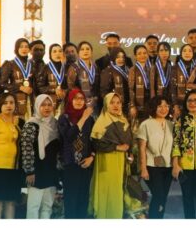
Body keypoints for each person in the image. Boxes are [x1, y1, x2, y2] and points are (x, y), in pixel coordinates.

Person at [89, 92, 133, 219]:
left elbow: (129, 141)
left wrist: (130, 153)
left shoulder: (124, 120)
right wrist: (116, 147)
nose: (116, 105)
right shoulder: (101, 122)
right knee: (107, 190)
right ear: (106, 105)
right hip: (107, 160)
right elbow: (96, 143)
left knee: (118, 190)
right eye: (112, 103)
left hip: (121, 160)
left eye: (118, 103)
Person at [20, 94, 61, 220]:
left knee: (47, 207)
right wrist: (29, 171)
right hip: (36, 171)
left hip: (51, 171)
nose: (47, 108)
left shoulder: (55, 124)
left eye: (49, 105)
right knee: (33, 207)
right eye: (43, 105)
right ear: (37, 106)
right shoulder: (31, 125)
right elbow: (26, 150)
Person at [58, 89, 95, 219]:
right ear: (70, 100)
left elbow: (93, 141)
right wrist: (83, 118)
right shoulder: (64, 118)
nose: (79, 101)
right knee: (71, 200)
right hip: (70, 165)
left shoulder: (90, 120)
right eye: (75, 98)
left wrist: (92, 157)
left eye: (81, 98)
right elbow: (69, 136)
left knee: (83, 200)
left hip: (86, 165)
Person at [137, 96, 175, 219]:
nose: (164, 109)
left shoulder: (171, 124)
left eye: (166, 106)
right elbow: (142, 148)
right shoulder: (146, 124)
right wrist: (143, 169)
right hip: (151, 165)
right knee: (159, 196)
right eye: (160, 106)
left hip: (168, 166)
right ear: (154, 107)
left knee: (163, 198)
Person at [67, 41, 100, 113]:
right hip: (80, 103)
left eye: (88, 49)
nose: (85, 51)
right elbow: (71, 87)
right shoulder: (74, 67)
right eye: (82, 49)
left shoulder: (95, 66)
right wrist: (81, 99)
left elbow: (98, 86)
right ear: (78, 53)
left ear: (91, 52)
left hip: (94, 103)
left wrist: (95, 98)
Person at [128, 45, 157, 120]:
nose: (142, 55)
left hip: (151, 101)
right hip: (138, 103)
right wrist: (132, 105)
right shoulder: (132, 70)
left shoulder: (153, 68)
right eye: (139, 53)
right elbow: (131, 89)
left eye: (144, 53)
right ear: (135, 56)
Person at [38, 44, 69, 111]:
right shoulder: (45, 68)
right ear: (50, 54)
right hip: (50, 102)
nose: (57, 53)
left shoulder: (66, 68)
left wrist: (65, 91)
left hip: (65, 100)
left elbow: (71, 84)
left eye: (60, 51)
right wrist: (54, 90)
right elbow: (40, 87)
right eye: (54, 51)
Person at [100, 48, 131, 114]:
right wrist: (111, 105)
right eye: (118, 57)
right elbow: (104, 92)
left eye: (123, 57)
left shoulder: (128, 69)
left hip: (127, 106)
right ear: (113, 58)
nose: (121, 59)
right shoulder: (108, 71)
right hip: (114, 106)